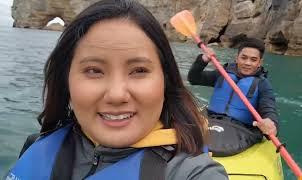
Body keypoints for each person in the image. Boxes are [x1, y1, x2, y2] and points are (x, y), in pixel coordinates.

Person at [6, 0, 228, 179]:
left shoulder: (192, 173)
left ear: (166, 80)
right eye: (93, 71)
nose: (116, 94)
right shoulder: (36, 144)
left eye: (139, 70)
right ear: (66, 81)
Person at [188, 38, 278, 156]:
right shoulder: (223, 73)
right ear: (237, 58)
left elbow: (269, 109)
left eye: (253, 60)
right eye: (243, 57)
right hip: (210, 121)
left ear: (259, 62)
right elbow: (194, 79)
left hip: (240, 129)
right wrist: (202, 60)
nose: (247, 63)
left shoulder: (262, 85)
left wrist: (271, 124)